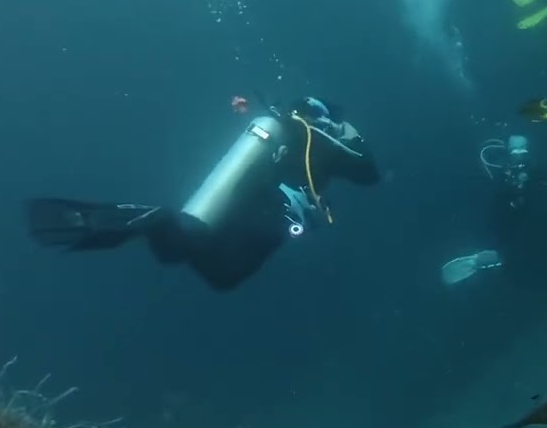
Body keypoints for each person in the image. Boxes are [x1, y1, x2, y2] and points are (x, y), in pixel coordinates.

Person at [25, 96, 380, 291]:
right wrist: (351, 134)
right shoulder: (321, 138)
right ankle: (155, 219)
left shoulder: (283, 129)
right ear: (321, 117)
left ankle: (147, 220)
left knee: (190, 254)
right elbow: (368, 174)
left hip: (244, 201)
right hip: (271, 210)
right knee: (224, 274)